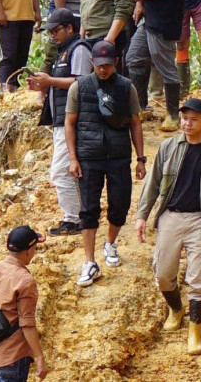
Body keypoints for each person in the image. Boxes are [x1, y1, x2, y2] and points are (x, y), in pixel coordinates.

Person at [135, 98, 201, 354]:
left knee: (199, 278)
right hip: (171, 216)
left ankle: (195, 331)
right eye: (184, 118)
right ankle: (176, 309)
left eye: (193, 119)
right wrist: (142, 215)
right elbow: (153, 184)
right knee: (162, 274)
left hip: (200, 220)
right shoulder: (168, 147)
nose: (187, 123)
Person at [65, 40, 146, 287]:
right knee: (88, 209)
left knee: (119, 205)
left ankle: (110, 243)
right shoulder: (79, 87)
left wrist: (140, 158)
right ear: (92, 63)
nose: (103, 70)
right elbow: (69, 123)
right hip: (89, 157)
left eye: (108, 65)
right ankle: (89, 262)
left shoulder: (126, 88)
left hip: (119, 156)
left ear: (116, 63)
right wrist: (73, 158)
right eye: (99, 65)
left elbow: (135, 123)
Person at [27, 8, 92, 236]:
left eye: (56, 31)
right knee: (69, 170)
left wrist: (50, 80)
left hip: (72, 120)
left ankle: (73, 219)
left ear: (69, 28)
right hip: (61, 120)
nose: (52, 35)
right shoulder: (63, 50)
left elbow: (81, 82)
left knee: (60, 171)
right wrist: (43, 85)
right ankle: (80, 215)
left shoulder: (79, 49)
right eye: (50, 32)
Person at [126, 0, 190, 131]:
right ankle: (141, 106)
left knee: (166, 68)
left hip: (163, 22)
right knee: (134, 57)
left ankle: (173, 114)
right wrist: (141, 1)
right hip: (149, 20)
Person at [0, 225, 49, 381]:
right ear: (29, 250)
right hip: (14, 357)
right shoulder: (25, 281)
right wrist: (40, 357)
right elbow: (27, 323)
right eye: (35, 247)